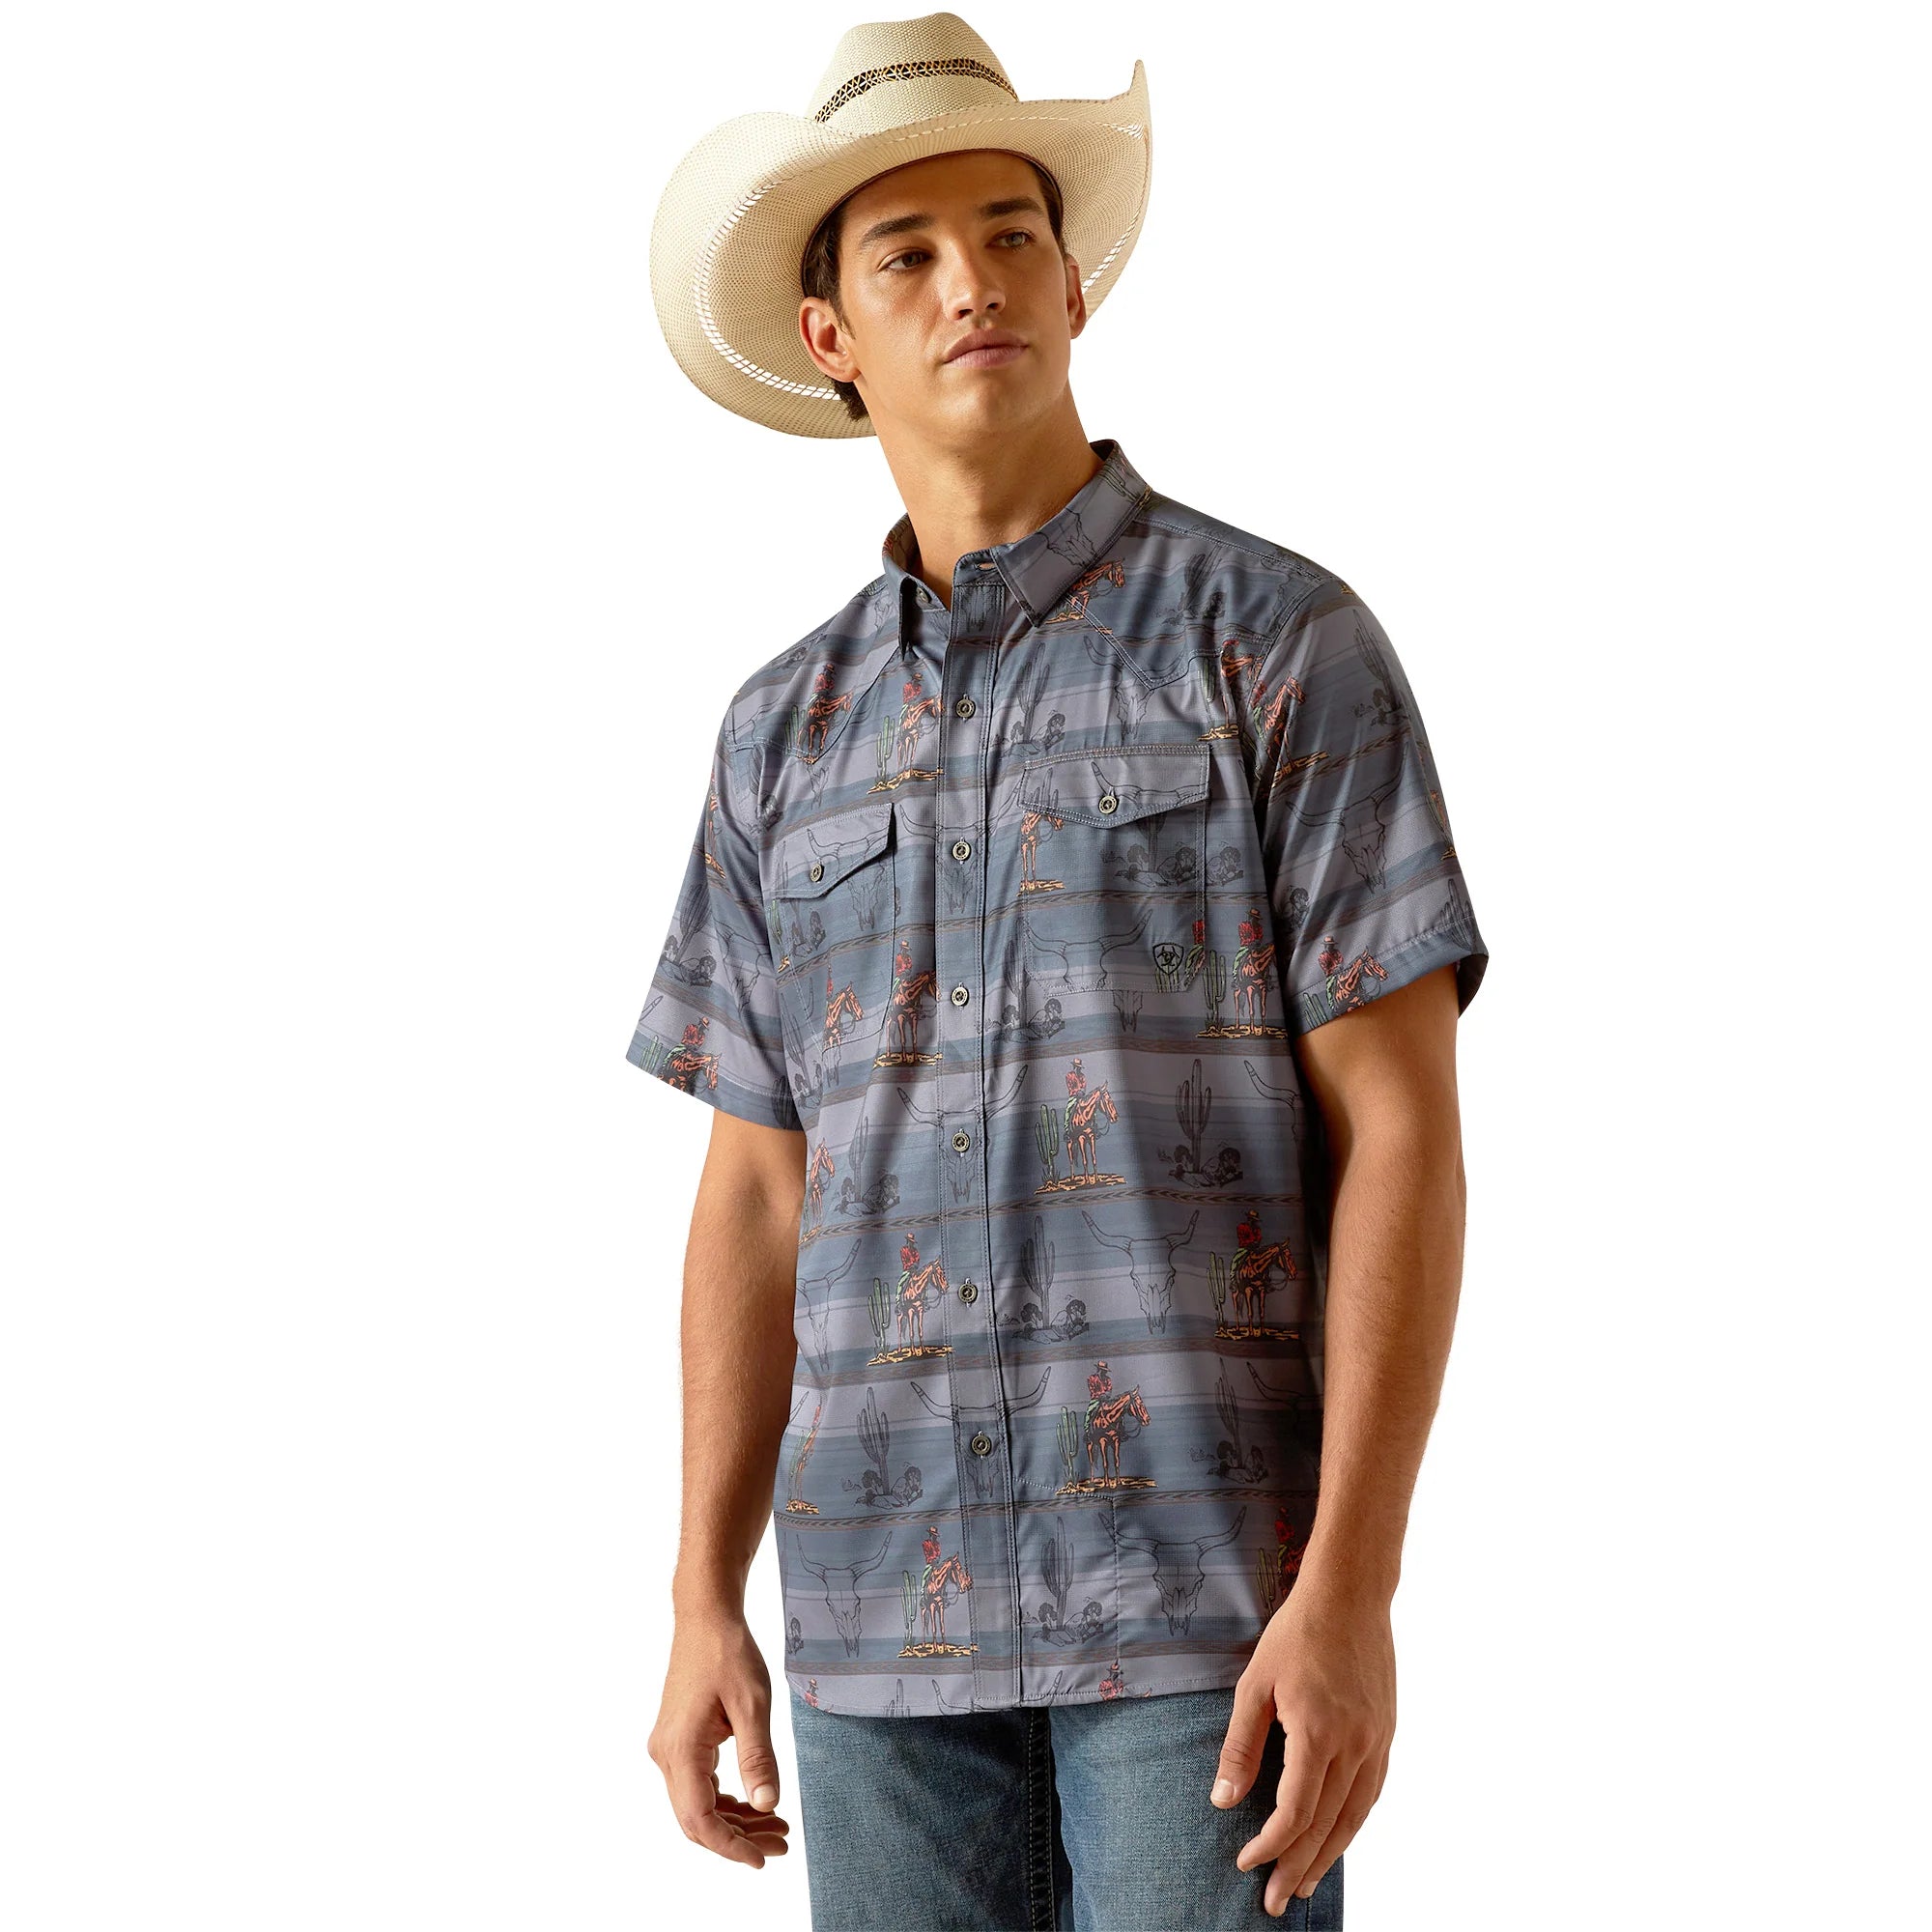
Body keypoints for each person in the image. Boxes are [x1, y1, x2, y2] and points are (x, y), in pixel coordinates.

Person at [625, 14, 1489, 1927]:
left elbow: (1403, 1133)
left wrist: (1351, 1590)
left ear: (1075, 284)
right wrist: (698, 1592)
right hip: (870, 1640)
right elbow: (756, 1189)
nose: (975, 283)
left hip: (1206, 1616)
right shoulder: (778, 735)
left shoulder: (1274, 645)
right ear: (831, 333)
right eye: (909, 254)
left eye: (1012, 234)